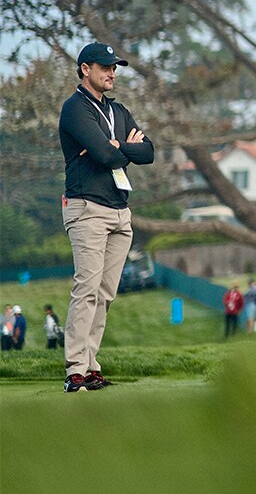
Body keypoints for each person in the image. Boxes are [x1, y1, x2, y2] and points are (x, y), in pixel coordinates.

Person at [58, 42, 154, 392]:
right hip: (87, 208)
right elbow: (104, 156)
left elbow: (149, 152)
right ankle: (75, 371)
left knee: (105, 294)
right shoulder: (75, 108)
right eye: (105, 67)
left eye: (114, 67)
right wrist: (118, 148)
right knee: (86, 290)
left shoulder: (118, 111)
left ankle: (91, 366)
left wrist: (117, 146)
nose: (112, 73)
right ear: (86, 69)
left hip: (119, 211)